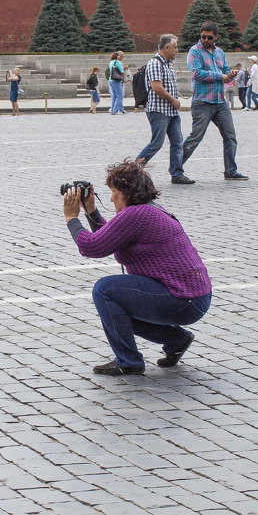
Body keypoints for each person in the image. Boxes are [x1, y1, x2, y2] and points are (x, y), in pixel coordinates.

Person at [63, 160, 212, 376]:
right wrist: (92, 211)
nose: (112, 197)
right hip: (192, 298)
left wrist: (71, 217)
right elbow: (110, 238)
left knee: (105, 290)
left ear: (125, 192)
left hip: (182, 299)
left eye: (113, 191)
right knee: (118, 307)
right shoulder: (148, 210)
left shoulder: (136, 215)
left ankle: (128, 361)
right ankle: (175, 339)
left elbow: (91, 246)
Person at [181, 23, 248, 181]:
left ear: (216, 37)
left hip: (220, 101)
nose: (205, 39)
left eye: (209, 37)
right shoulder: (195, 51)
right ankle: (176, 169)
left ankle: (230, 171)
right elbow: (197, 73)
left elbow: (224, 70)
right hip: (202, 102)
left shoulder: (219, 52)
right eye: (203, 36)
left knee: (230, 136)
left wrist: (229, 74)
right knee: (195, 138)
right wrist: (221, 76)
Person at [135, 34, 193, 185]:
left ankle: (177, 174)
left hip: (171, 112)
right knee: (156, 143)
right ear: (166, 48)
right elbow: (156, 87)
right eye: (175, 47)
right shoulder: (155, 63)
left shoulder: (168, 63)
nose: (177, 50)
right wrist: (173, 99)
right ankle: (134, 172)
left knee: (177, 143)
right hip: (158, 111)